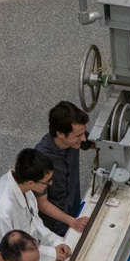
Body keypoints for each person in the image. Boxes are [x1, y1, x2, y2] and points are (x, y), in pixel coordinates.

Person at [0, 149, 68, 259]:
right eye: (47, 181)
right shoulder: (2, 210)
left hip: (29, 252)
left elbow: (35, 222)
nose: (51, 183)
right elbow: (11, 253)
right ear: (31, 182)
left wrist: (56, 242)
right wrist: (52, 253)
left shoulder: (24, 186)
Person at [35, 101, 91, 238]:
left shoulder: (75, 139)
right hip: (56, 225)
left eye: (83, 133)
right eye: (78, 136)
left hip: (74, 208)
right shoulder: (41, 159)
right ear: (60, 134)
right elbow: (42, 203)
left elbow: (95, 143)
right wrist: (72, 221)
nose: (83, 138)